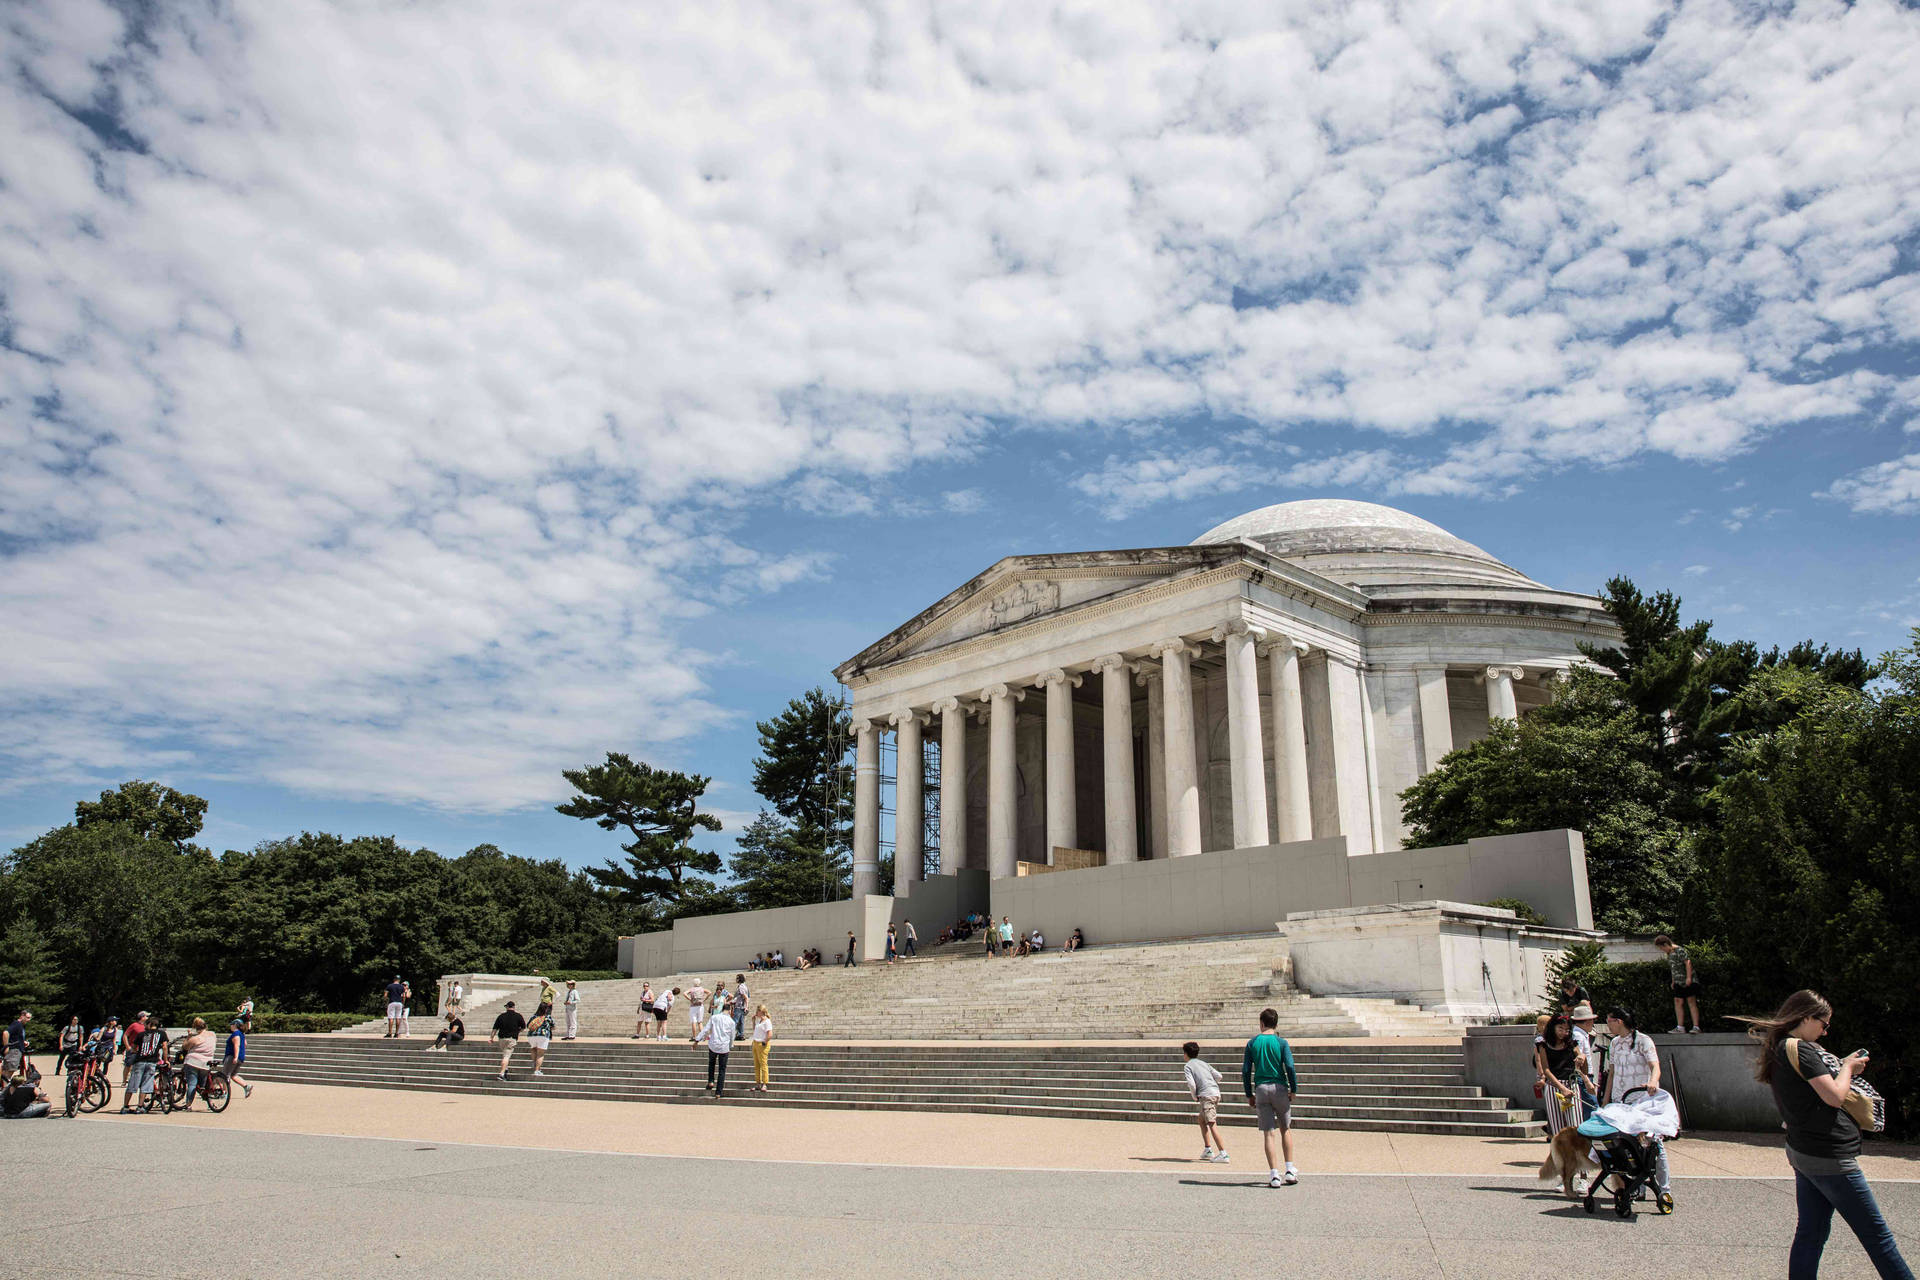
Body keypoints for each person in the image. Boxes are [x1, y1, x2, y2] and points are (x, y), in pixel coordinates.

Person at [1746, 989, 1911, 1280]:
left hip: (1803, 1152)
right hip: (1829, 1156)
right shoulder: (1803, 1049)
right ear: (1806, 1016)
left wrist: (1845, 1067)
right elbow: (1834, 1096)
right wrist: (1847, 1066)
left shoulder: (1780, 1047)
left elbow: (1815, 1092)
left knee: (1811, 1233)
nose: (1825, 1031)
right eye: (1824, 1024)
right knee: (1878, 1237)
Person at [1601, 1007, 1671, 1201]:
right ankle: (1636, 1186)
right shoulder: (1614, 1043)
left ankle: (1664, 1189)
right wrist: (1606, 1100)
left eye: (1609, 1021)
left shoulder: (1643, 1041)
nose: (1608, 1025)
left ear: (1619, 1021)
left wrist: (1653, 1082)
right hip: (1620, 1100)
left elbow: (1655, 1066)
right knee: (1626, 1146)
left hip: (1641, 1099)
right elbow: (1612, 1073)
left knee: (1652, 1143)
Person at [1242, 1007, 1299, 1187]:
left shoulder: (1252, 1043)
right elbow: (1289, 1066)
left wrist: (1248, 1093)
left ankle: (1274, 1175)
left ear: (1262, 1023)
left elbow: (1245, 1070)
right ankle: (1289, 1169)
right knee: (1285, 1128)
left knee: (1268, 1133)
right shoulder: (1281, 1043)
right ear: (1275, 1024)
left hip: (1261, 1089)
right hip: (1280, 1087)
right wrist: (1294, 1088)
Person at [1535, 1014, 1585, 1136]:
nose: (1563, 1033)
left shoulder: (1572, 1043)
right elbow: (1546, 1069)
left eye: (1567, 1030)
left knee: (1576, 1124)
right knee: (1558, 1128)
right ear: (1553, 1028)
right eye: (1560, 1029)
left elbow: (1582, 1065)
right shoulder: (1543, 1045)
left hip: (1571, 1085)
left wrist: (1582, 1057)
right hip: (1553, 1086)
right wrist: (1561, 1088)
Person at [1183, 1041, 1228, 1163]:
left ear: (1186, 1054)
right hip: (1215, 1092)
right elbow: (1219, 1076)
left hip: (1205, 1095)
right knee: (1201, 1119)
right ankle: (1208, 1149)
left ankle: (1223, 1153)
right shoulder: (1204, 1063)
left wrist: (1194, 1096)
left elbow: (1191, 1084)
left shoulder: (1188, 1066)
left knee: (1211, 1123)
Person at [1656, 935, 1703, 1033]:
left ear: (1665, 944)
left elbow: (1688, 963)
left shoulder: (1679, 950)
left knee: (1691, 1001)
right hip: (1678, 981)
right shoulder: (1669, 954)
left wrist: (1689, 977)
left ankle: (1696, 1026)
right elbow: (1673, 968)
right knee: (1678, 1001)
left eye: (1661, 947)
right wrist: (1673, 981)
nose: (1662, 950)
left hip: (1687, 980)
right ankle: (1680, 1027)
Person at [123, 1017, 168, 1113]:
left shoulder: (141, 1035)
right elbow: (164, 1047)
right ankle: (140, 1106)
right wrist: (165, 1060)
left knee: (132, 1084)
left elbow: (134, 1048)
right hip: (152, 1061)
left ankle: (125, 1106)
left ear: (148, 1024)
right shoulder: (162, 1034)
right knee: (145, 1084)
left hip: (140, 1061)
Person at [176, 1018, 217, 1111]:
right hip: (207, 1061)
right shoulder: (212, 1034)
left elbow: (185, 1047)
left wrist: (188, 1036)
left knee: (192, 1084)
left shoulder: (195, 1039)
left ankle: (188, 1104)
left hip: (193, 1062)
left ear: (195, 1027)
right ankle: (206, 1095)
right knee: (202, 1084)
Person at [1568, 1003, 1603, 1110]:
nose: (1593, 1023)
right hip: (1583, 1077)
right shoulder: (1578, 1036)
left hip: (1586, 1076)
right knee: (1592, 1107)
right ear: (1587, 1021)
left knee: (1591, 1107)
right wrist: (1587, 1080)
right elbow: (1579, 1060)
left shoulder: (1581, 1034)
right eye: (1592, 1020)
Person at [698, 997, 736, 1097]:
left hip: (713, 1045)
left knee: (711, 1064)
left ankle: (711, 1081)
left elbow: (706, 1029)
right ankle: (718, 1092)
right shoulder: (731, 1022)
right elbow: (732, 1036)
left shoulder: (714, 1017)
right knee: (722, 1070)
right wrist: (730, 1045)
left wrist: (697, 1040)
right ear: (730, 1010)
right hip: (724, 1047)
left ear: (722, 1008)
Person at [490, 1001, 527, 1080]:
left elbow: (495, 1028)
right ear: (514, 1007)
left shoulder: (501, 1016)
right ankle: (501, 1073)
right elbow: (523, 1026)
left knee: (504, 1054)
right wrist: (517, 1031)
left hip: (502, 1038)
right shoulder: (518, 1016)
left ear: (507, 1007)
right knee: (506, 1056)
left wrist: (491, 1038)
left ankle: (505, 1070)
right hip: (511, 1038)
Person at [222, 1018, 253, 1098]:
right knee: (234, 1075)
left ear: (235, 1025)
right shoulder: (242, 1034)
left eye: (232, 1024)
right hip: (241, 1057)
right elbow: (245, 1044)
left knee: (225, 1075)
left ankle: (224, 1093)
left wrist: (235, 1057)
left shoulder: (236, 1033)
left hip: (232, 1056)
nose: (231, 1026)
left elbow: (237, 1045)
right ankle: (246, 1086)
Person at [749, 1004, 774, 1093]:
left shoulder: (767, 1021)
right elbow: (755, 1030)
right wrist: (753, 1021)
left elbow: (770, 1034)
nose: (756, 1012)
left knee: (763, 1064)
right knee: (757, 1065)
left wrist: (765, 1041)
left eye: (757, 1011)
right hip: (755, 1043)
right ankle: (758, 1083)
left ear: (762, 1012)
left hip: (762, 1044)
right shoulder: (759, 1021)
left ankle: (765, 1083)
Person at [122, 1012, 146, 1088]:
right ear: (142, 1017)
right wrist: (127, 1046)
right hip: (133, 1049)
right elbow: (125, 1035)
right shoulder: (134, 1025)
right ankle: (124, 1081)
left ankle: (137, 1081)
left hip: (142, 1049)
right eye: (146, 1016)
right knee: (128, 1065)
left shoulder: (146, 1026)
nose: (147, 1018)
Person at [4, 1008, 30, 1077]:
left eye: (30, 1018)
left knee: (8, 1072)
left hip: (17, 1051)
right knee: (8, 1073)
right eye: (27, 1018)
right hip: (14, 1051)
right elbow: (5, 1033)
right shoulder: (17, 1024)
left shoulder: (20, 1026)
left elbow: (15, 1037)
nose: (28, 1020)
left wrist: (23, 1042)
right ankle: (4, 1087)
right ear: (22, 1016)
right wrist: (6, 1047)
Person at [526, 1010, 553, 1076]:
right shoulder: (547, 1017)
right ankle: (537, 1070)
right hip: (542, 1035)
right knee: (540, 1054)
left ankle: (534, 1063)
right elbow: (553, 1025)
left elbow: (528, 1025)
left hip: (531, 1035)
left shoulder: (533, 1016)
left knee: (533, 1049)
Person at [686, 979, 710, 1043]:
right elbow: (709, 992)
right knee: (700, 1022)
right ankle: (702, 1037)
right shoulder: (702, 989)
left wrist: (690, 999)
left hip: (693, 1006)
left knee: (693, 1022)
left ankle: (694, 1037)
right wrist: (704, 999)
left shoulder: (692, 989)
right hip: (700, 1006)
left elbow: (684, 993)